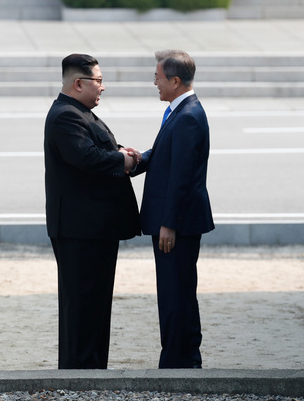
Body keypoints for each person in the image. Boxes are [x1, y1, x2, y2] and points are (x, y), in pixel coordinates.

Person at [44, 53, 141, 369]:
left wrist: (124, 155)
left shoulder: (79, 112)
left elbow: (97, 152)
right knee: (83, 304)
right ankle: (80, 373)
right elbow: (86, 158)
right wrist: (121, 160)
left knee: (95, 303)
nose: (102, 87)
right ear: (78, 83)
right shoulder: (65, 116)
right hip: (80, 230)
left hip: (92, 229)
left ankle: (92, 369)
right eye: (98, 81)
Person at [130, 49, 214, 369]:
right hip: (174, 221)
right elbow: (164, 153)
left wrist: (169, 223)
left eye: (158, 77)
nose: (155, 82)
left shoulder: (189, 116)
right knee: (175, 292)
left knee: (175, 294)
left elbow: (182, 177)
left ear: (175, 81)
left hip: (176, 225)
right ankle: (183, 358)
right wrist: (136, 161)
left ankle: (179, 362)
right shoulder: (180, 111)